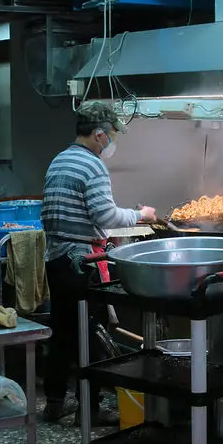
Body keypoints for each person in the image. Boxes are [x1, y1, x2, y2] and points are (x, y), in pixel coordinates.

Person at [41, 102, 156, 426]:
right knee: (91, 336)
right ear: (98, 134)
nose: (112, 142)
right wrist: (141, 215)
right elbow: (105, 215)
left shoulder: (60, 159)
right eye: (112, 135)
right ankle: (89, 411)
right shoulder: (92, 166)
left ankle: (54, 402)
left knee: (63, 331)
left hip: (57, 259)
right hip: (81, 263)